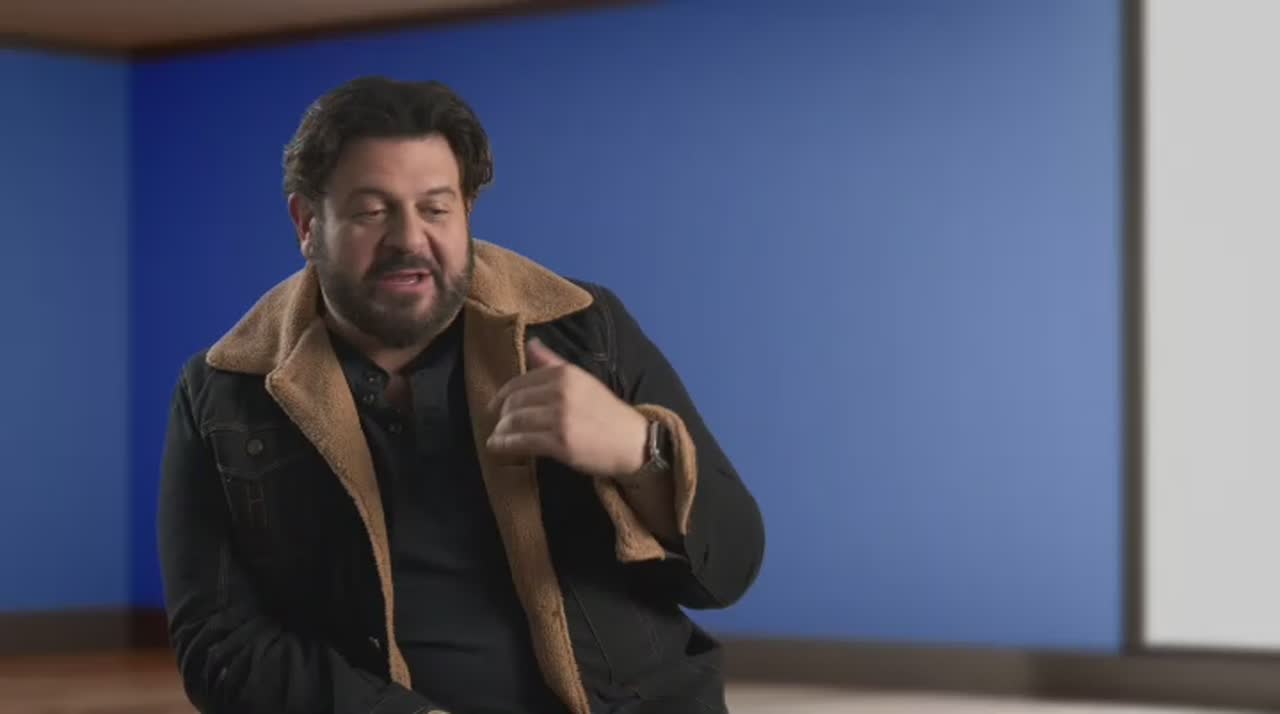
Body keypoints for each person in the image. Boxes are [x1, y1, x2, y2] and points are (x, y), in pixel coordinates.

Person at [157, 76, 765, 714]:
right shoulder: (222, 392)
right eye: (372, 211)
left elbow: (730, 570)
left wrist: (638, 452)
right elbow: (218, 646)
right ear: (308, 224)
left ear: (466, 213)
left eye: (435, 209)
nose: (408, 239)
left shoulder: (588, 331)